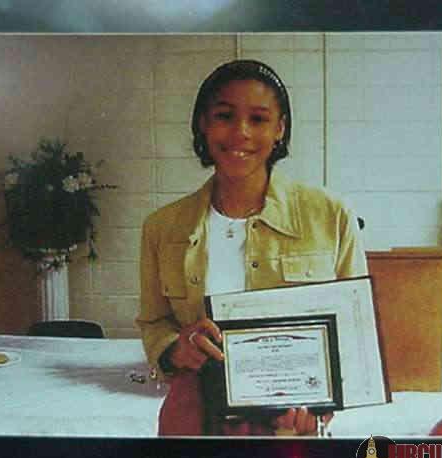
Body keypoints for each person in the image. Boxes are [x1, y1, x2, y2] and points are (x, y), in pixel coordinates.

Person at [135, 59, 367, 436]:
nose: (240, 132)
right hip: (192, 420)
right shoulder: (162, 227)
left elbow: (356, 331)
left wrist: (322, 405)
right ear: (203, 124)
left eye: (258, 119)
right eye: (224, 116)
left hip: (291, 426)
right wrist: (175, 349)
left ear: (280, 129)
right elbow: (153, 322)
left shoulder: (331, 215)